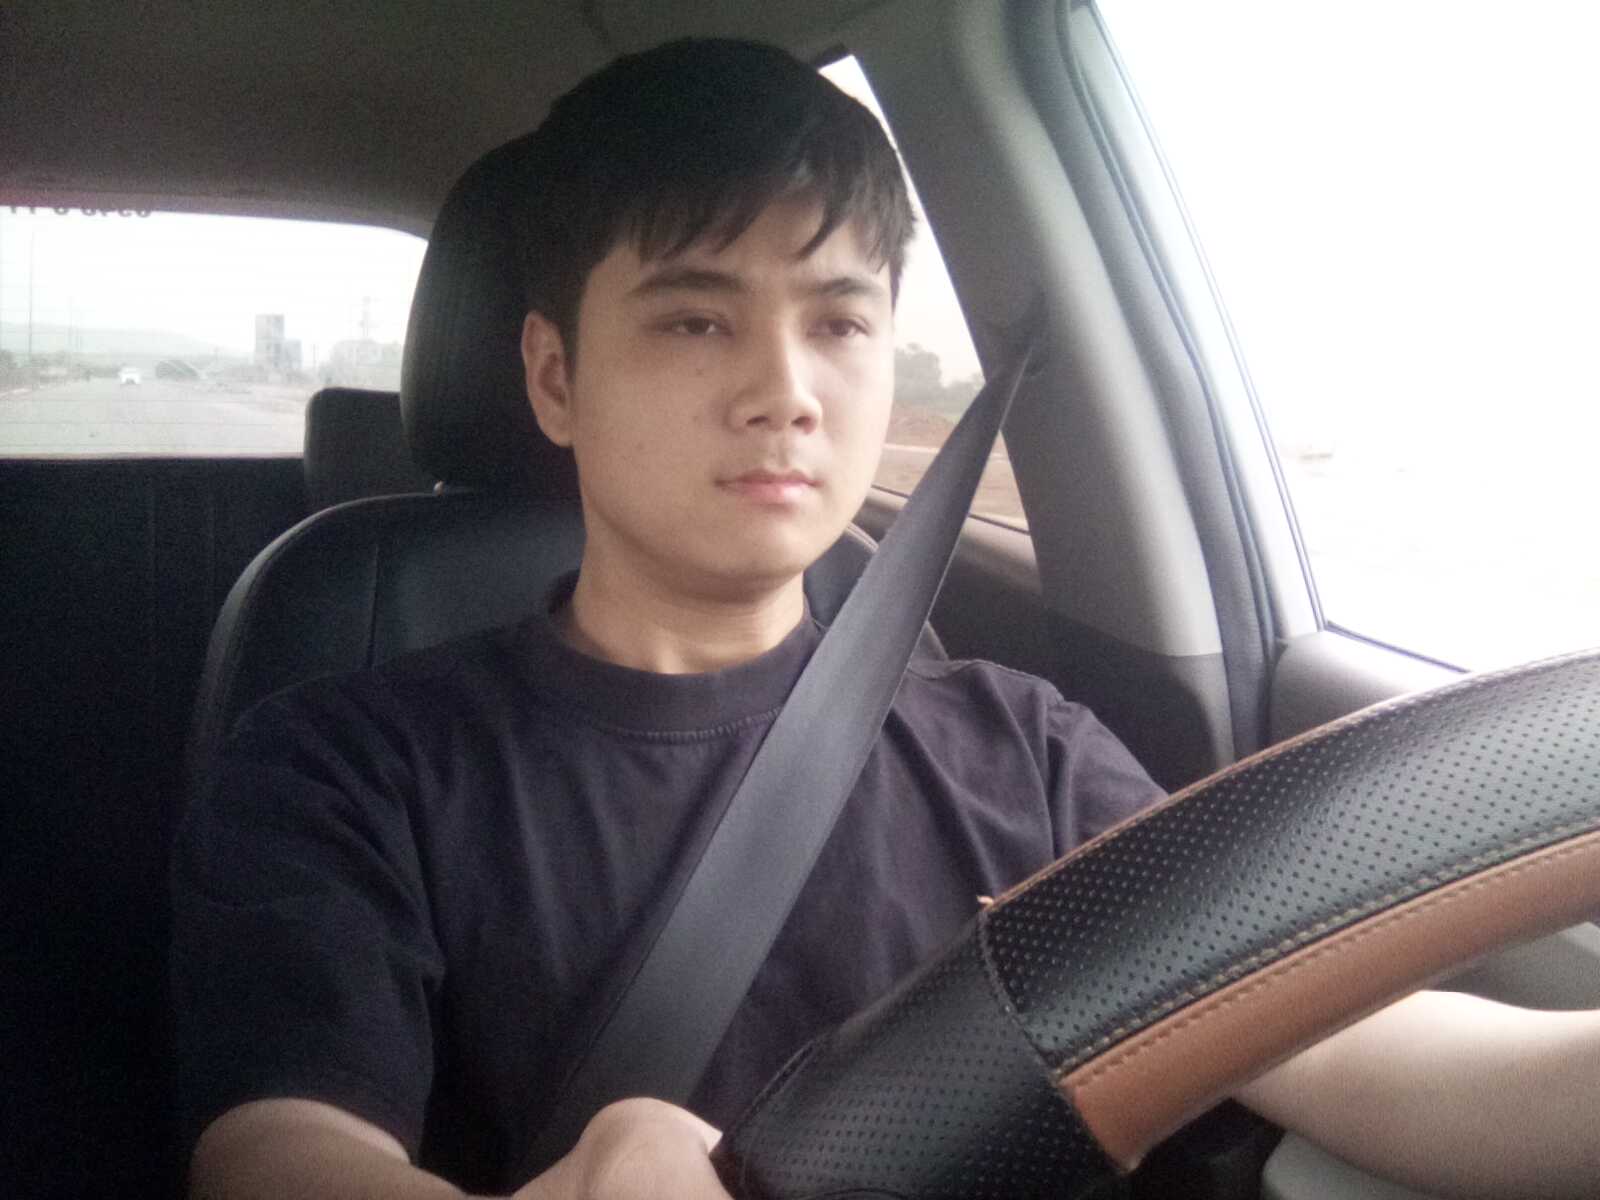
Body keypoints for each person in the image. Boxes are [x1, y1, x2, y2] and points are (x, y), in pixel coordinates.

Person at [172, 38, 1599, 1200]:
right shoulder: (346, 763)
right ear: (555, 377)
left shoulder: (1026, 752)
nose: (784, 390)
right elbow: (281, 1149)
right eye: (695, 319)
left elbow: (1351, 1046)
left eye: (840, 322)